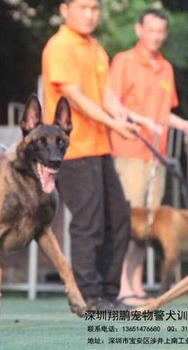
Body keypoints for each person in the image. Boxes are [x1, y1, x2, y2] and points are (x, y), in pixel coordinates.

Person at [41, 0, 161, 310]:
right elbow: (75, 98)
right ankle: (87, 297)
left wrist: (130, 119)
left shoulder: (96, 49)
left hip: (99, 146)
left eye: (94, 8)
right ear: (65, 9)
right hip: (71, 149)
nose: (89, 14)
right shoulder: (60, 46)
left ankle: (108, 294)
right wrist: (114, 124)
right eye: (83, 7)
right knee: (89, 222)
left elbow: (106, 93)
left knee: (118, 219)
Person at [109, 8, 188, 307]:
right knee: (129, 222)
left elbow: (164, 113)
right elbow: (113, 104)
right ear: (140, 29)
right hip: (130, 151)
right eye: (150, 30)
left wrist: (182, 124)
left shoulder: (165, 68)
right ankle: (120, 286)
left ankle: (136, 283)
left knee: (149, 225)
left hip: (157, 156)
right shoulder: (124, 62)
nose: (155, 36)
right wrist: (144, 121)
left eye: (160, 32)